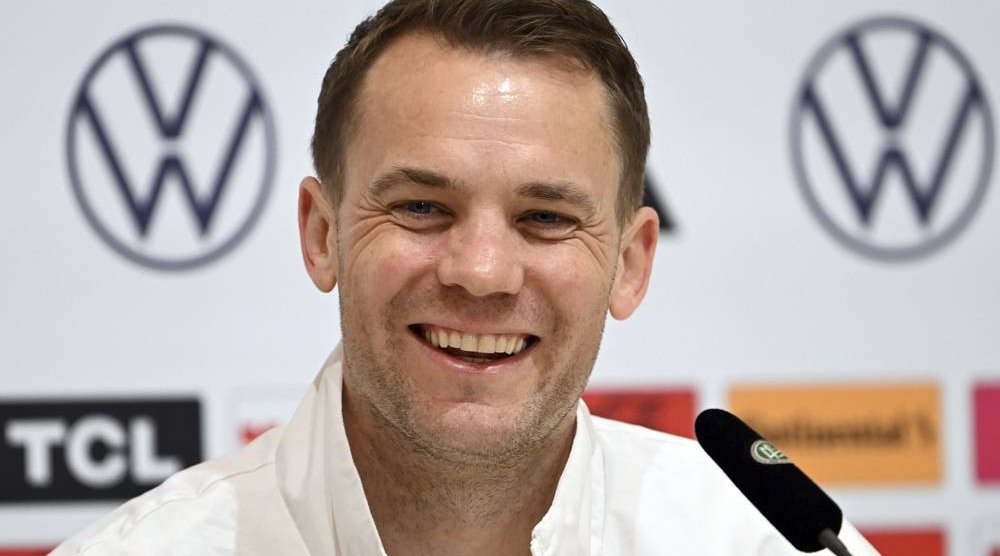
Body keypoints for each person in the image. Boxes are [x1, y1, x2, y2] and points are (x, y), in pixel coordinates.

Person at [52, 1, 879, 554]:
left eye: (547, 218)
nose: (482, 273)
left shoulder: (761, 545)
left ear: (629, 265)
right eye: (420, 207)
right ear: (321, 234)